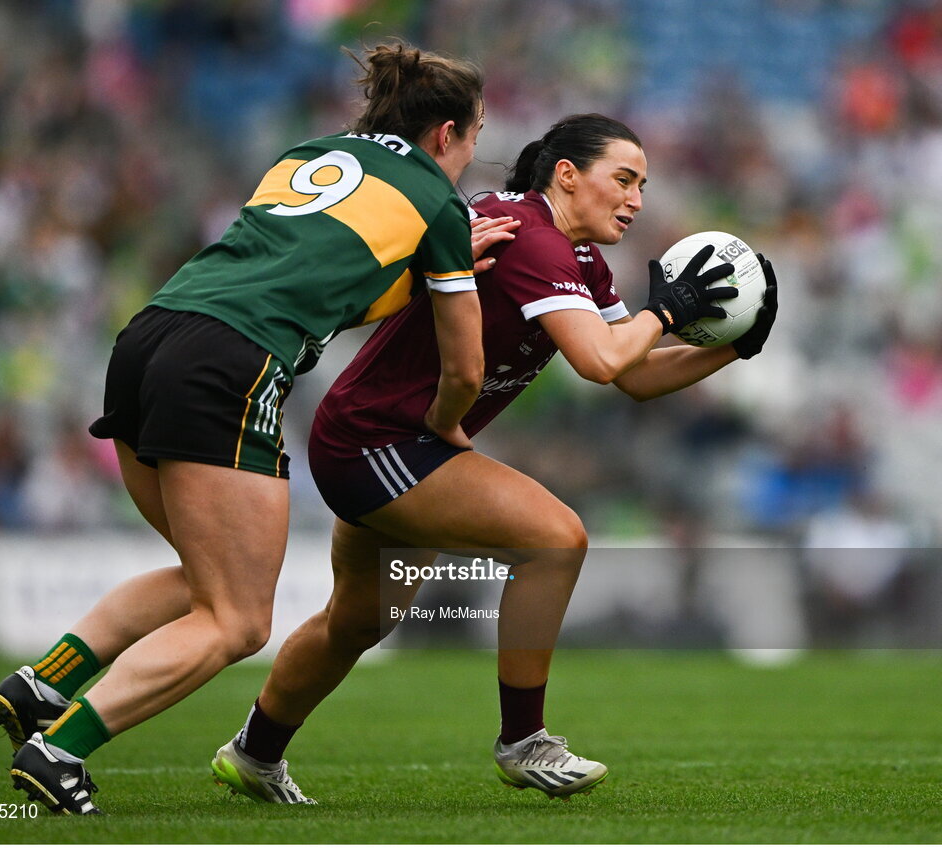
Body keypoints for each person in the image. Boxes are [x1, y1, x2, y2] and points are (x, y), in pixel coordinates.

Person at [0, 42, 513, 815]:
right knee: (237, 620)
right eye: (473, 138)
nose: (470, 158)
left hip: (152, 333)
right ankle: (60, 748)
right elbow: (464, 368)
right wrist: (444, 419)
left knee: (206, 582)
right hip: (231, 362)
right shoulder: (438, 201)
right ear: (446, 134)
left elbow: (322, 274)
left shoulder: (309, 152)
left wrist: (412, 277)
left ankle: (45, 682)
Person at [208, 113, 779, 802]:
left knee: (360, 620)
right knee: (554, 539)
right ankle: (524, 742)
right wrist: (668, 310)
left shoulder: (574, 254)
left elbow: (635, 374)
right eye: (623, 180)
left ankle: (254, 754)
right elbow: (603, 361)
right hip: (380, 441)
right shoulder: (536, 242)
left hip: (380, 436)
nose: (635, 200)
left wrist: (730, 347)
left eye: (643, 187)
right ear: (566, 174)